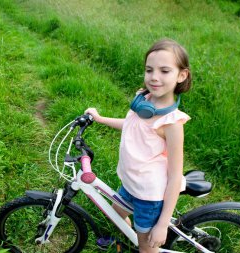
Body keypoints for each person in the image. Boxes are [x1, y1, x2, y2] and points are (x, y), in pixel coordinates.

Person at [85, 39, 192, 253]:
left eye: (164, 71)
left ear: (181, 75)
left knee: (146, 247)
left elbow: (175, 176)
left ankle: (143, 244)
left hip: (149, 196)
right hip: (131, 182)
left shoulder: (171, 123)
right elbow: (132, 126)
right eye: (149, 69)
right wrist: (100, 118)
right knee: (115, 214)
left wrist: (161, 225)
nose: (154, 77)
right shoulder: (144, 101)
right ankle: (128, 239)